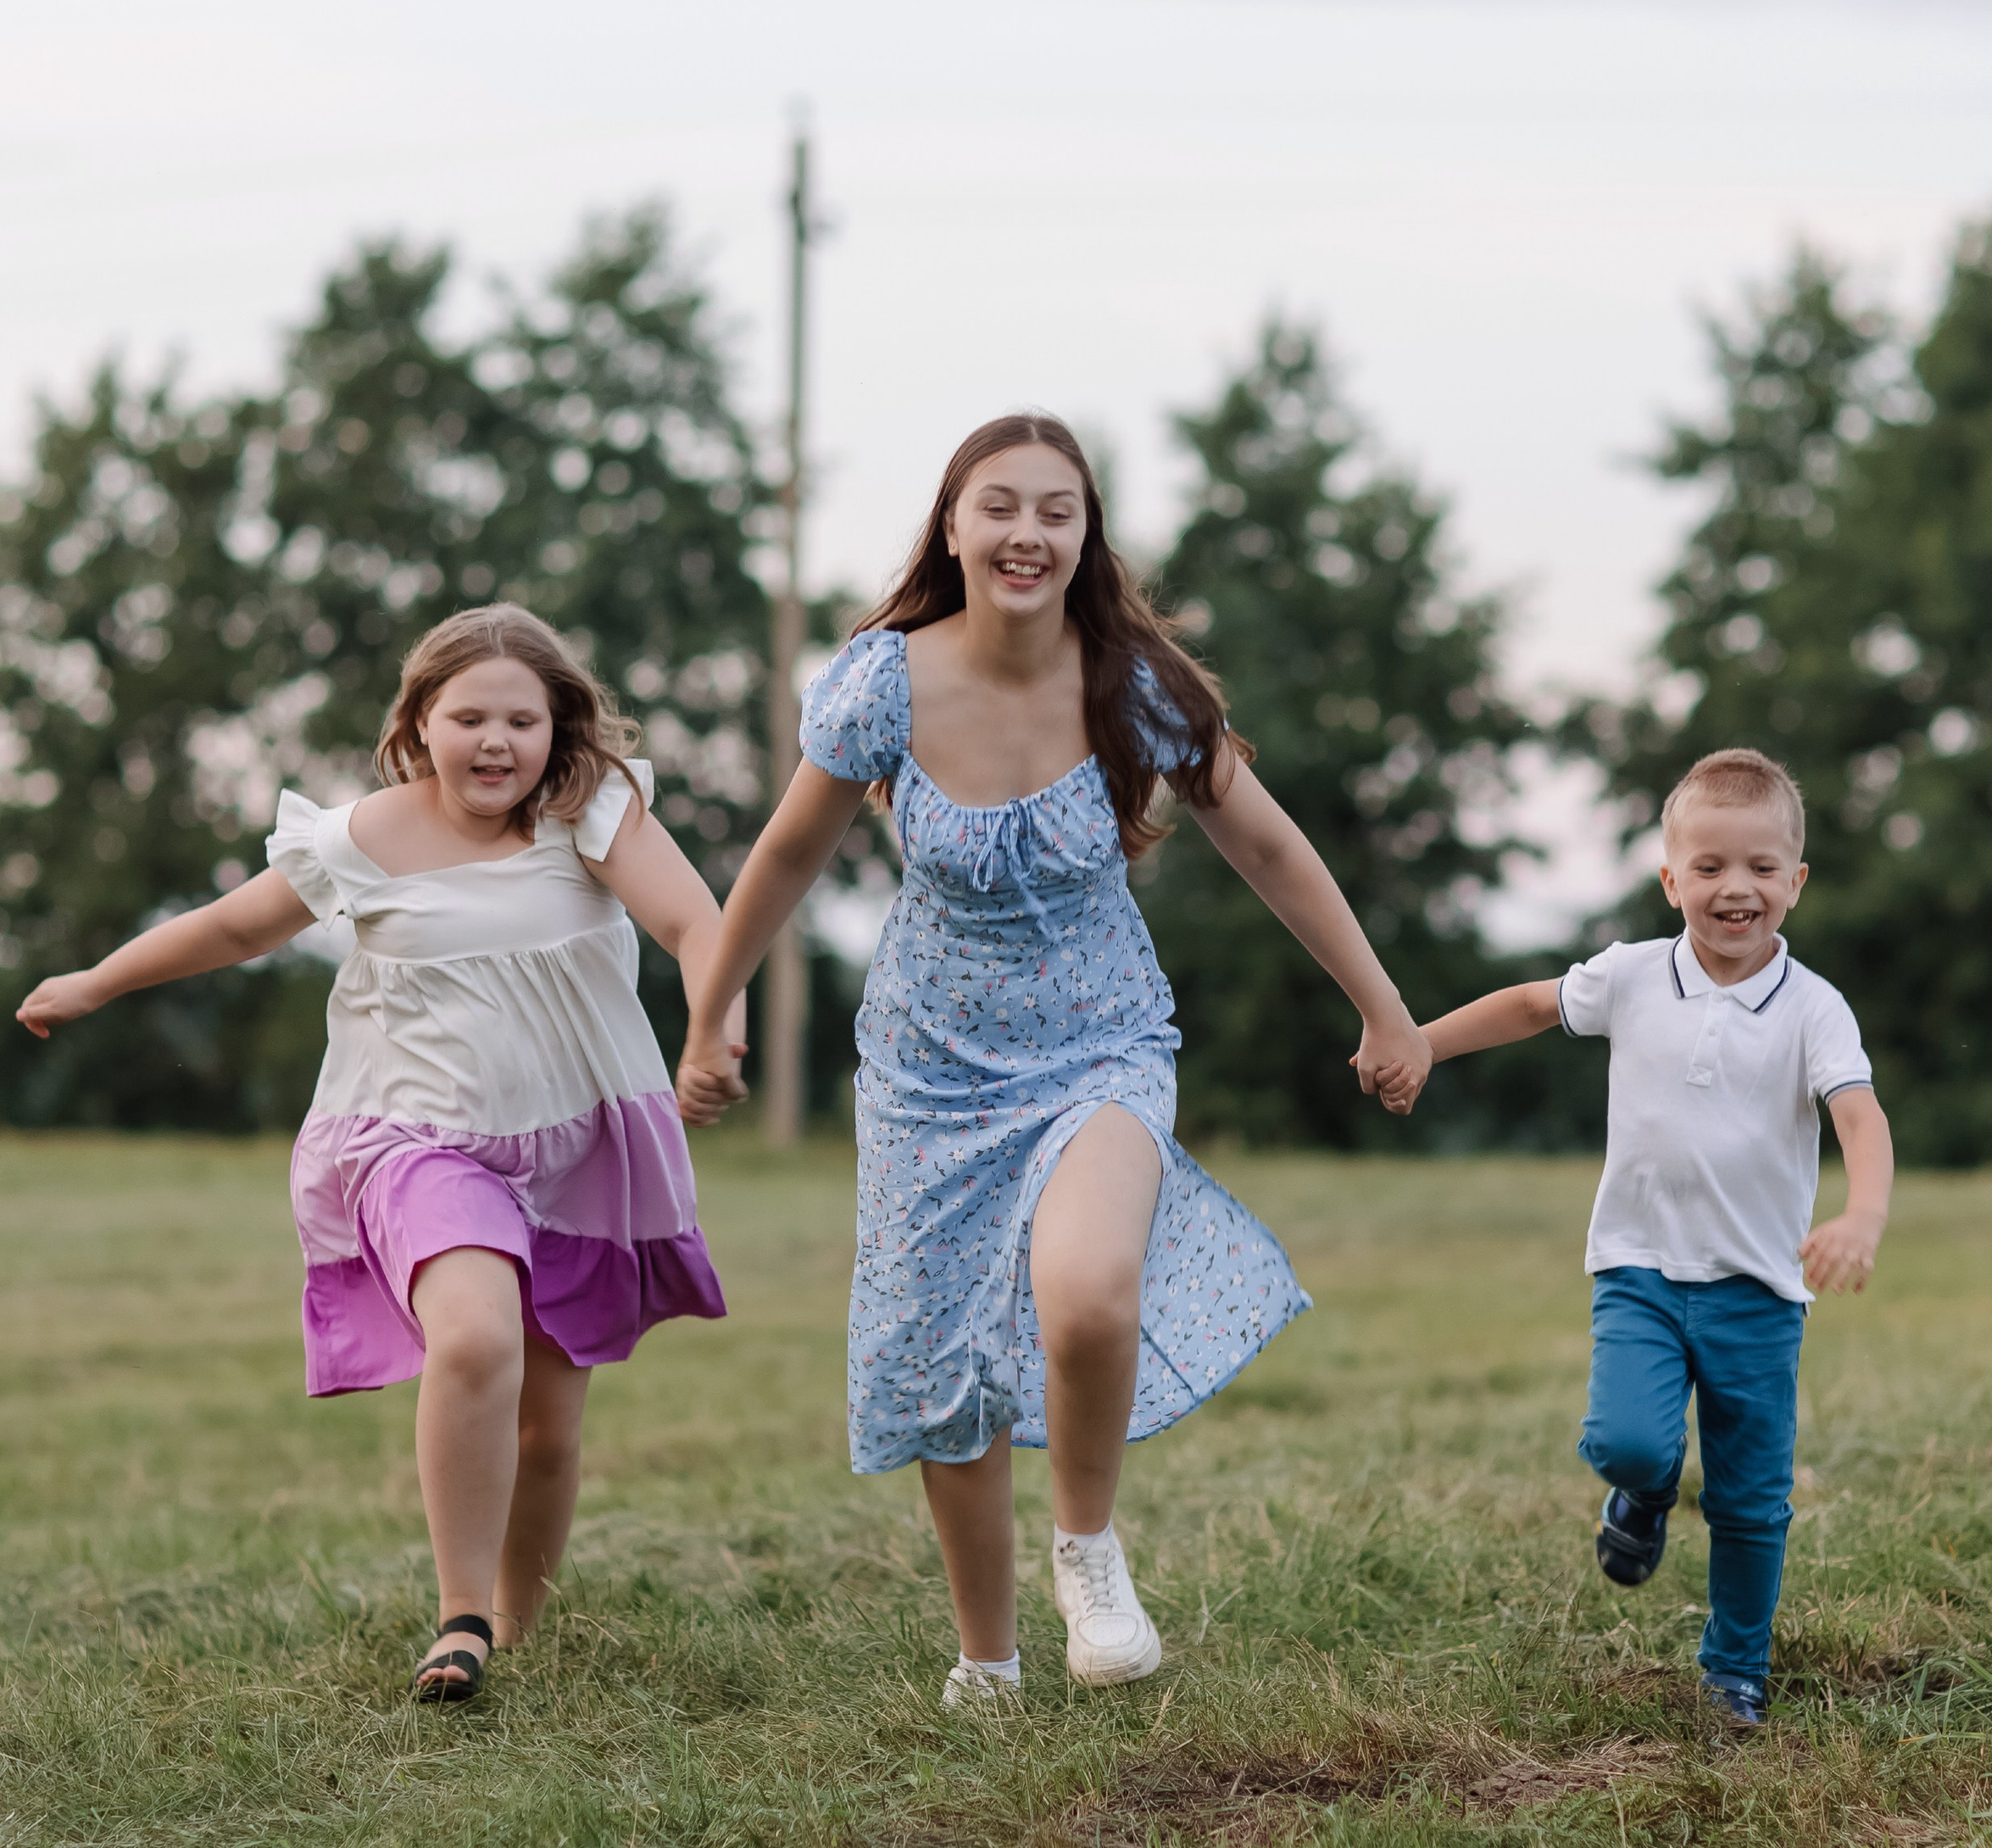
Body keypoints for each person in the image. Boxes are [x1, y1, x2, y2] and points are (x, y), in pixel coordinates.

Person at [675, 415, 1432, 1706]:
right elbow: (788, 855)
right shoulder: (883, 685)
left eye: (1058, 512)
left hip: (1102, 1048)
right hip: (928, 1068)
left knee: (1086, 1293)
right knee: (943, 1365)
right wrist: (710, 1009)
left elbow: (1269, 848)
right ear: (955, 527)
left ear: (1086, 538)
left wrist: (1384, 1008)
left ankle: (1086, 1548)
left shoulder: (1132, 687)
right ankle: (989, 1659)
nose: (1029, 533)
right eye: (1002, 507)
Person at [15, 605, 743, 1702]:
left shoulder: (592, 812)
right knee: (475, 1336)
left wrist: (713, 1023)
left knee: (549, 1426)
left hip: (576, 1145)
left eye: (522, 720)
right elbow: (232, 929)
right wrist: (97, 981)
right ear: (418, 723)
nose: (496, 743)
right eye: (469, 718)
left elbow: (696, 925)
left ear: (559, 730)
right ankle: (461, 1621)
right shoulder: (356, 840)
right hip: (417, 1143)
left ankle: (518, 1623)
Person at [1411, 747, 1892, 1730]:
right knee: (1629, 1440)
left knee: (1751, 1504)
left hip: (1757, 1292)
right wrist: (1421, 1041)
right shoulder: (1630, 976)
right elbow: (1531, 1005)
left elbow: (1860, 1117)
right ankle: (1640, 1494)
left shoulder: (1813, 1009)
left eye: (1761, 868)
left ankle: (1734, 1671)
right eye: (1709, 867)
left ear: (1795, 883)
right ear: (1670, 879)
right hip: (1636, 1269)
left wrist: (1861, 1214)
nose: (1735, 889)